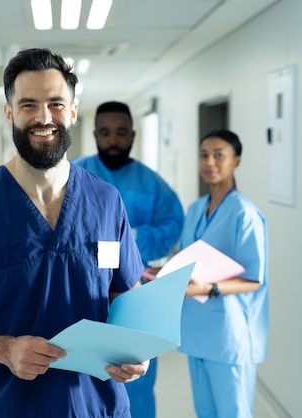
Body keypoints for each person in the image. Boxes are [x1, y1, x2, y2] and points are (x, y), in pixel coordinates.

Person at [0, 48, 149, 417]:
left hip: (97, 407)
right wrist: (3, 350)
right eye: (28, 105)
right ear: (10, 114)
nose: (44, 117)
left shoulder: (106, 202)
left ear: (72, 111)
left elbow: (128, 296)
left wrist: (137, 349)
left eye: (56, 104)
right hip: (6, 407)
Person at [72, 101, 184, 418]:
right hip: (85, 290)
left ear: (132, 134)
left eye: (121, 133)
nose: (113, 140)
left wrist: (130, 239)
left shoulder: (152, 183)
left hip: (136, 291)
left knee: (135, 376)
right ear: (95, 134)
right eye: (106, 133)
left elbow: (173, 223)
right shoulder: (75, 174)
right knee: (83, 377)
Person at [178, 129, 268, 418]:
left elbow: (254, 280)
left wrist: (208, 288)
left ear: (236, 161)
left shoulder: (245, 213)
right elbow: (187, 261)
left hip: (229, 335)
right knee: (205, 411)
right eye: (204, 155)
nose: (210, 162)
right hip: (196, 330)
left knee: (233, 413)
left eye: (219, 155)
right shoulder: (195, 209)